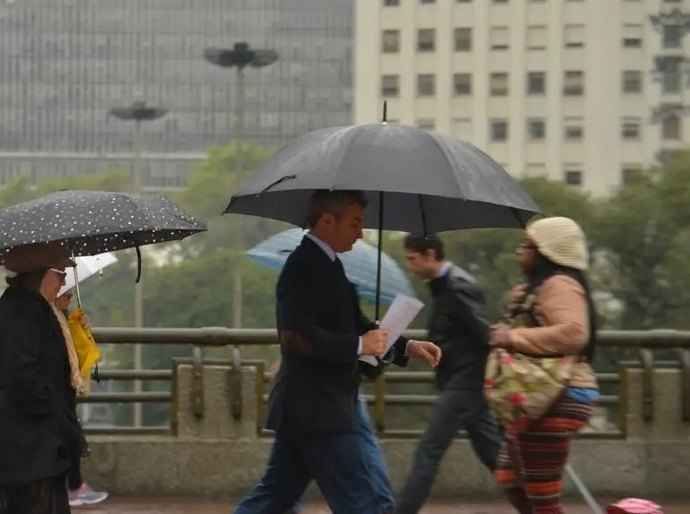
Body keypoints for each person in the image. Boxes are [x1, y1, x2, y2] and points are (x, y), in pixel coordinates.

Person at [233, 190, 441, 514]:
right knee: (363, 501)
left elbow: (355, 323)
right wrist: (359, 345)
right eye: (355, 223)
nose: (360, 232)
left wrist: (405, 345)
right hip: (319, 407)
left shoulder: (328, 265)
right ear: (328, 221)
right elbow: (296, 336)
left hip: (310, 406)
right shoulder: (303, 266)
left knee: (274, 498)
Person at [489, 216, 599, 514]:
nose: (520, 251)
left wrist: (513, 335)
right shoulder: (540, 288)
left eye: (528, 245)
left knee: (542, 499)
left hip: (559, 396)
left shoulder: (560, 285)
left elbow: (575, 332)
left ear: (546, 252)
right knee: (511, 479)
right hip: (541, 396)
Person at [395, 234, 502, 514]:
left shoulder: (457, 286)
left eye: (412, 259)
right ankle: (538, 505)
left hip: (464, 382)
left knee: (428, 451)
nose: (411, 266)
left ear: (430, 254)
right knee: (495, 456)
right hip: (462, 382)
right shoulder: (444, 285)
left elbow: (482, 333)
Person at [0, 243, 81, 514]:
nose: (63, 281)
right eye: (60, 274)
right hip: (29, 448)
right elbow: (22, 373)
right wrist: (53, 414)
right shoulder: (21, 312)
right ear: (42, 273)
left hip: (38, 447)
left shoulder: (36, 309)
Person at [54, 288, 109, 507]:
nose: (69, 300)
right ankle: (73, 487)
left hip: (65, 387)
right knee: (70, 437)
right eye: (65, 295)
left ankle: (74, 486)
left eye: (70, 296)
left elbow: (76, 350)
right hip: (56, 389)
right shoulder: (46, 317)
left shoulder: (62, 317)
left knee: (71, 436)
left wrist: (79, 328)